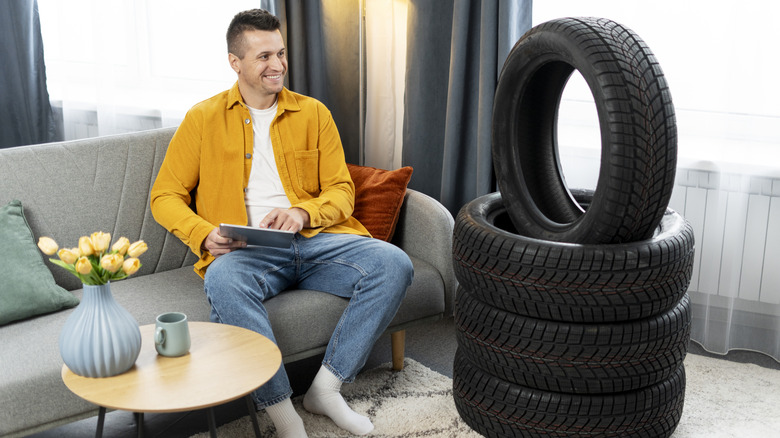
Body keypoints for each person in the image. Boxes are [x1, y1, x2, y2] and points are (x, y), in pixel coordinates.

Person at [150, 8, 413, 437]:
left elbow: (342, 192)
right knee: (223, 283)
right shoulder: (203, 119)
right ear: (235, 62)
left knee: (394, 264)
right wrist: (204, 234)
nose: (277, 65)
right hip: (246, 251)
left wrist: (302, 211)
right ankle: (283, 416)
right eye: (263, 57)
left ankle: (326, 389)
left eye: (281, 53)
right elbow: (165, 196)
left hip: (315, 240)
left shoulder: (314, 114)